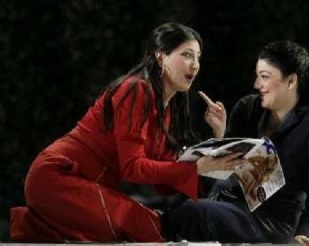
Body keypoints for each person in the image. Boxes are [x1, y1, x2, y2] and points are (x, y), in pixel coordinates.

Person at [9, 22, 244, 243]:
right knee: (144, 224)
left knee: (149, 222)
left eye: (198, 57)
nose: (195, 65)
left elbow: (166, 181)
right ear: (161, 56)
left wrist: (218, 136)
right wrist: (196, 168)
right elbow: (133, 168)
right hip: (57, 177)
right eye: (187, 55)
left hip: (84, 184)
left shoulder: (165, 109)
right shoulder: (136, 90)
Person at [162, 40, 309, 245]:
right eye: (257, 76)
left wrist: (303, 237)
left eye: (265, 77)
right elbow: (221, 173)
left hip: (273, 221)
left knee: (193, 211)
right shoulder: (248, 109)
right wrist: (219, 135)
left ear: (291, 81)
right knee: (178, 205)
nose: (256, 84)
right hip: (227, 204)